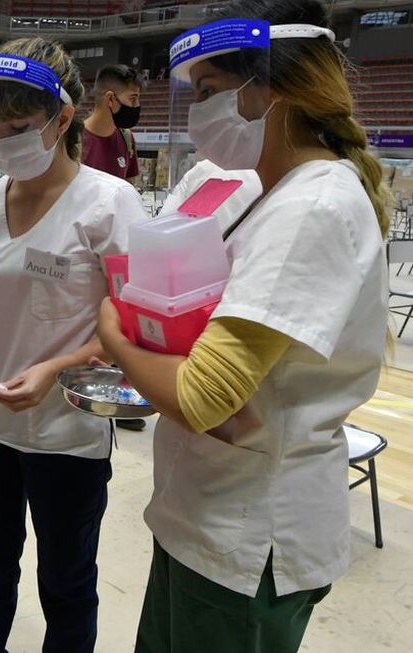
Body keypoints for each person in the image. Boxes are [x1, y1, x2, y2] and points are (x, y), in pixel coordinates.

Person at [96, 2, 391, 651]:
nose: (199, 113)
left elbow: (204, 395)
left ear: (273, 91)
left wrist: (114, 331)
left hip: (247, 535)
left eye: (208, 92)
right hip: (204, 514)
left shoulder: (312, 206)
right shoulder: (271, 195)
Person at [0, 38, 148, 653]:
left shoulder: (109, 204)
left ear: (62, 119)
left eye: (17, 126)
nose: (2, 139)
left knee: (66, 583)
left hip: (64, 431)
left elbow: (130, 324)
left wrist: (57, 367)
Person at [82, 64, 144, 185]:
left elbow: (128, 189)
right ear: (110, 99)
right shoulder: (73, 140)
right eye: (133, 98)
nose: (137, 105)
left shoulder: (127, 139)